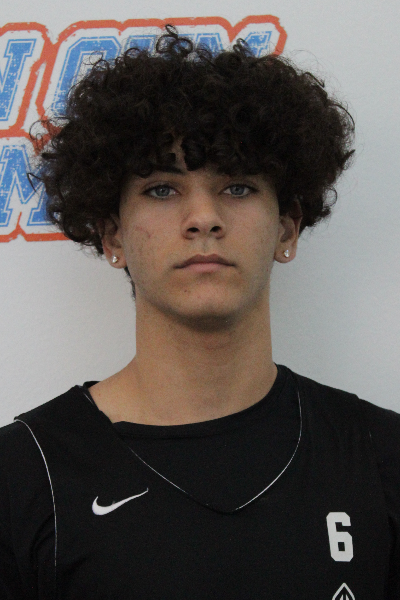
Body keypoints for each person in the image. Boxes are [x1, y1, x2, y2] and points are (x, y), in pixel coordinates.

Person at [0, 24, 399, 599]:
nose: (203, 218)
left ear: (287, 228)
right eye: (162, 189)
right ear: (112, 235)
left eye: (237, 187)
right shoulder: (21, 475)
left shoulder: (382, 456)